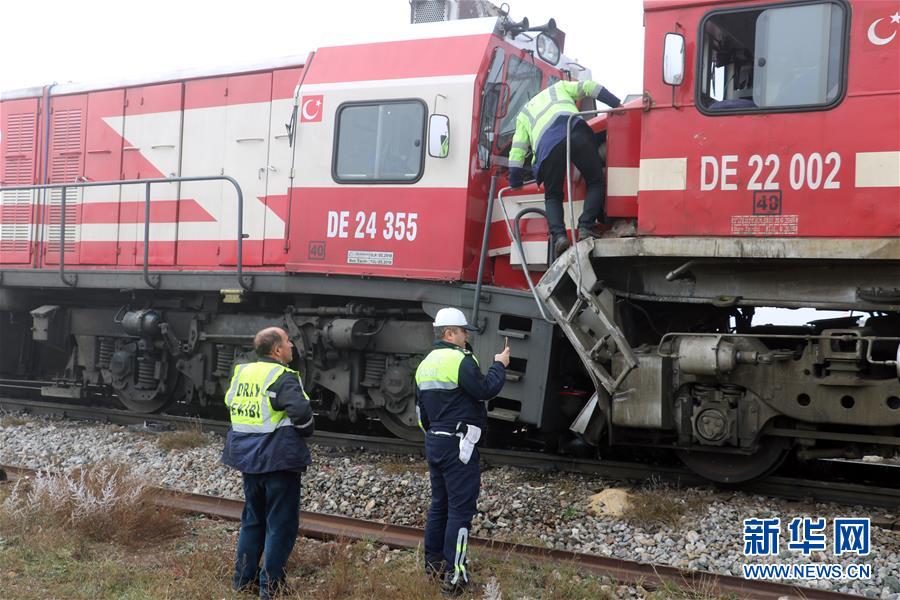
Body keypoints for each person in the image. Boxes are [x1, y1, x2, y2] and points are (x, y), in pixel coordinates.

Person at [415, 307, 510, 596]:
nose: (466, 335)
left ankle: (433, 566)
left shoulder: (425, 364)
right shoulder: (459, 360)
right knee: (460, 511)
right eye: (461, 330)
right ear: (448, 333)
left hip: (434, 441)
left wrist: (437, 435)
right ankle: (456, 577)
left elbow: (421, 415)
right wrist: (499, 364)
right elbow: (485, 389)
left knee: (439, 506)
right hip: (459, 444)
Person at [221, 327, 315, 599]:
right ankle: (270, 587)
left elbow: (231, 402)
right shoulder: (282, 377)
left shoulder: (243, 373)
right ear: (277, 350)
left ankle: (242, 582)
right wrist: (305, 429)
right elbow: (303, 416)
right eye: (288, 341)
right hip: (278, 461)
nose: (292, 346)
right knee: (280, 525)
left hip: (248, 461)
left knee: (252, 521)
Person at [508, 79, 622, 257]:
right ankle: (585, 227)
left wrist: (515, 180)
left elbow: (518, 149)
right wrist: (616, 104)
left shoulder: (524, 114)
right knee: (595, 181)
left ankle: (560, 237)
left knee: (552, 195)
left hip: (548, 148)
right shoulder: (558, 87)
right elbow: (588, 87)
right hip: (575, 131)